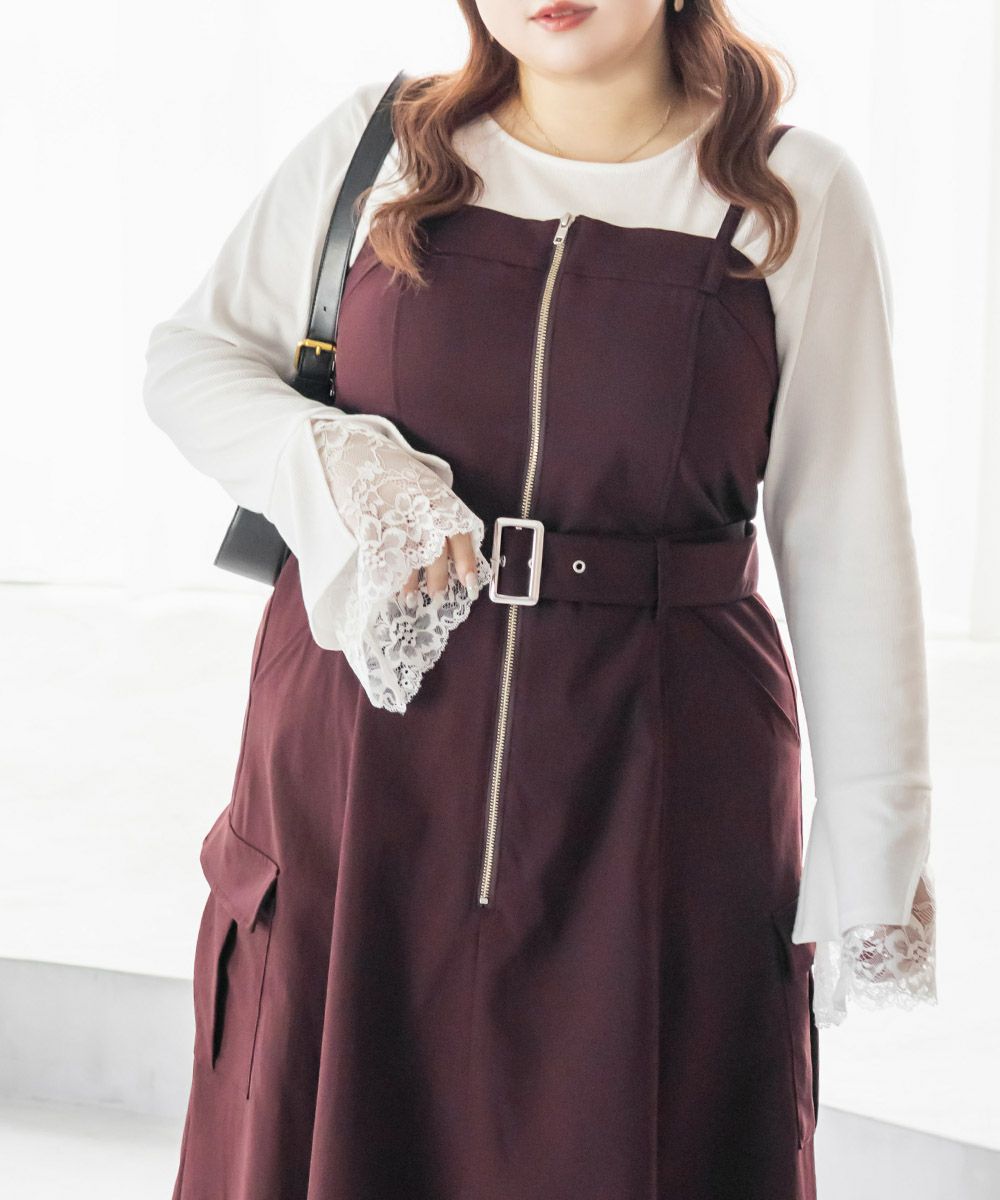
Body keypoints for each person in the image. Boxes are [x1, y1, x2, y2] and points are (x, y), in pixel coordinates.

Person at [142, 2, 937, 1197]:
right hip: (356, 767)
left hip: (654, 778)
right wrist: (341, 466)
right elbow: (196, 357)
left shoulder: (789, 193)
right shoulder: (379, 141)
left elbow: (844, 529)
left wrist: (875, 852)